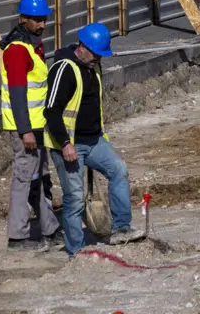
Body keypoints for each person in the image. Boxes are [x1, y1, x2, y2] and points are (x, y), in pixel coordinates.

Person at [45, 23, 143, 258]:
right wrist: (65, 144)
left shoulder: (93, 66)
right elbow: (51, 111)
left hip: (94, 140)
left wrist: (101, 134)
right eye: (95, 54)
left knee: (119, 170)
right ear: (82, 47)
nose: (98, 59)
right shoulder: (64, 69)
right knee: (75, 197)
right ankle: (76, 250)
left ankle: (121, 229)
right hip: (69, 144)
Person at [1, 0, 63, 251]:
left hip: (37, 127)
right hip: (25, 129)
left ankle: (50, 228)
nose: (42, 24)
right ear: (23, 19)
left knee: (40, 177)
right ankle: (18, 237)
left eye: (44, 19)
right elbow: (17, 94)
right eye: (37, 20)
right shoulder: (18, 50)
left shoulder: (32, 45)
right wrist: (25, 130)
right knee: (25, 179)